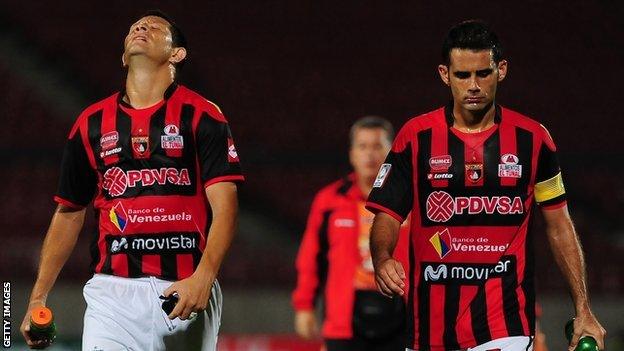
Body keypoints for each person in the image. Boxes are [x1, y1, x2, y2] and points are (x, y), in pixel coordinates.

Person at [366, 20, 606, 351]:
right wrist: (382, 257)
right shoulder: (415, 137)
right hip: (429, 330)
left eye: (484, 73)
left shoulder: (534, 140)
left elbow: (558, 224)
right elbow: (387, 215)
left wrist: (583, 308)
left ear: (501, 70)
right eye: (463, 75)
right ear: (444, 74)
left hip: (505, 323)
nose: (474, 85)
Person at [20, 10, 244, 350]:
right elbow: (69, 212)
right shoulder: (89, 124)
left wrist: (205, 277)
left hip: (185, 289)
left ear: (177, 54)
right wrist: (38, 297)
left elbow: (226, 206)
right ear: (125, 56)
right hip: (112, 295)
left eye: (155, 27)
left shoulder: (203, 115)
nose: (141, 27)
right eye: (135, 27)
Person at [293, 116, 409, 351]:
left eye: (377, 146)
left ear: (391, 153)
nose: (370, 154)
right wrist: (304, 306)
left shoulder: (411, 199)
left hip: (403, 318)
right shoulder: (330, 200)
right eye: (362, 146)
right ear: (352, 154)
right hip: (345, 321)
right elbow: (311, 257)